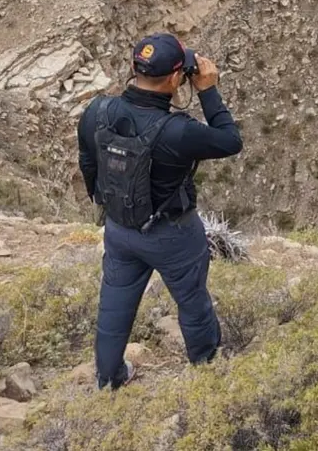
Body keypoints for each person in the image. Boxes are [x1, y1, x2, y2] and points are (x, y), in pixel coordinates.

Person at [77, 33, 243, 390]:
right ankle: (206, 366)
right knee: (192, 300)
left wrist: (108, 206)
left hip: (120, 229)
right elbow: (231, 140)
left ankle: (109, 379)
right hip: (173, 233)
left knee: (114, 306)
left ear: (134, 68)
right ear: (173, 79)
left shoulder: (96, 111)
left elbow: (88, 162)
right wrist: (208, 90)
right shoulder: (179, 132)